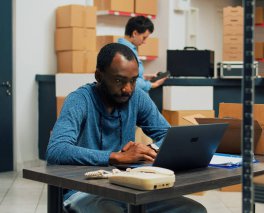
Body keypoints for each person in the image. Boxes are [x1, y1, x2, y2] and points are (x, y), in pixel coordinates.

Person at [46, 43, 206, 213]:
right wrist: (115, 157)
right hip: (83, 190)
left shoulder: (137, 97)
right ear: (99, 76)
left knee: (194, 210)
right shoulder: (79, 100)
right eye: (118, 80)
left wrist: (147, 149)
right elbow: (57, 149)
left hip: (127, 186)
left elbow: (167, 135)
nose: (127, 88)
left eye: (133, 80)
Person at [118, 16, 167, 92]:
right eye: (144, 37)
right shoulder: (126, 52)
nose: (144, 42)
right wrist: (152, 85)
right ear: (135, 33)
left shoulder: (129, 49)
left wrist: (145, 77)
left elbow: (132, 76)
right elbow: (130, 81)